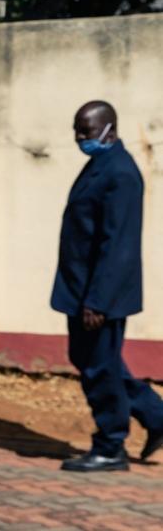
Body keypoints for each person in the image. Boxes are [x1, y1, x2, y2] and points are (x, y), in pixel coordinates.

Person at [52, 100, 163, 472]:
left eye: (85, 130)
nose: (79, 137)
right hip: (81, 289)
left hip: (100, 295)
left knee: (100, 367)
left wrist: (98, 301)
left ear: (109, 131)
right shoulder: (100, 165)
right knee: (94, 361)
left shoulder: (120, 173)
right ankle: (156, 415)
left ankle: (111, 446)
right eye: (76, 129)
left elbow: (118, 245)